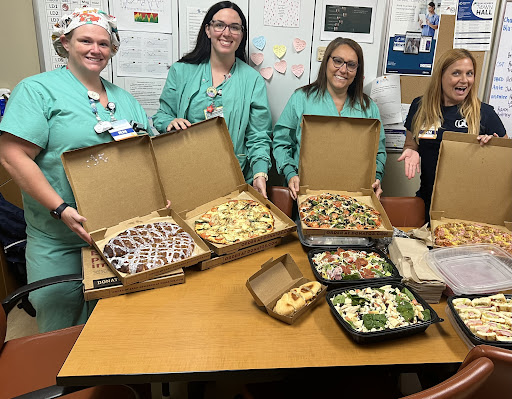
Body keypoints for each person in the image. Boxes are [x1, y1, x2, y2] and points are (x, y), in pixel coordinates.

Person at [0, 8, 150, 333]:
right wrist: (60, 209)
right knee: (61, 325)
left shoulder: (126, 100)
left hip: (118, 234)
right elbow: (12, 155)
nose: (95, 49)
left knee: (118, 323)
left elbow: (147, 157)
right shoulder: (37, 90)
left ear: (112, 49)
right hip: (58, 238)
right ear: (65, 43)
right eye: (85, 41)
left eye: (103, 43)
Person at [152, 1, 272, 198]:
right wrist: (170, 123)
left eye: (235, 27)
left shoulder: (252, 80)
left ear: (242, 35)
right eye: (219, 25)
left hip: (234, 177)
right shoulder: (181, 71)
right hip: (185, 173)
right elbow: (162, 115)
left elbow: (258, 135)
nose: (227, 33)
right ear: (207, 30)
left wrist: (260, 173)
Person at [397, 48, 506, 220]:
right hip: (428, 202)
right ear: (441, 76)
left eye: (469, 73)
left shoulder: (484, 113)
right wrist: (411, 151)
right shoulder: (420, 107)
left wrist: (494, 149)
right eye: (456, 73)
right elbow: (411, 144)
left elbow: (505, 162)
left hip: (469, 209)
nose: (464, 80)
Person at [273, 37, 387, 200]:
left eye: (351, 65)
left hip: (354, 199)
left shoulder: (368, 108)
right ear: (326, 62)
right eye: (338, 61)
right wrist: (290, 173)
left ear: (357, 70)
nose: (343, 70)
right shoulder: (301, 99)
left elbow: (379, 152)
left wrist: (376, 178)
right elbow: (281, 142)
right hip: (305, 195)